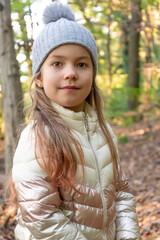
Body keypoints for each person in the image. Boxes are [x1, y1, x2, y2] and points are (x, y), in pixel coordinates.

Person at [11, 2, 141, 240]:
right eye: (57, 63)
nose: (70, 72)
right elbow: (42, 218)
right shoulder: (37, 137)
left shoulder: (103, 132)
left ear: (92, 74)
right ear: (39, 77)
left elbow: (121, 194)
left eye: (81, 64)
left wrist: (128, 236)